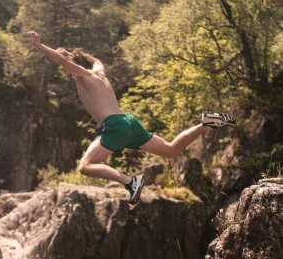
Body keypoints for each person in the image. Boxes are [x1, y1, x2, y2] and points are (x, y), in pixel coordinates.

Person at [28, 31, 235, 204]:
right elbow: (97, 60)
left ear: (76, 65)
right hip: (129, 122)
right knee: (171, 150)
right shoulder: (99, 73)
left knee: (85, 166)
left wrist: (39, 45)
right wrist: (74, 53)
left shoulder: (84, 75)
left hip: (115, 125)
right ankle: (206, 123)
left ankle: (130, 182)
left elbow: (59, 61)